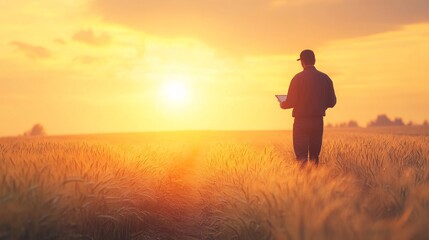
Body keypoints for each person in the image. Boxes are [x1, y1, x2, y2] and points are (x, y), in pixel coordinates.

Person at [280, 49, 336, 165]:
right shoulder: (325, 78)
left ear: (302, 62)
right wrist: (320, 105)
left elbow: (290, 102)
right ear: (314, 60)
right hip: (317, 122)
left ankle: (304, 182)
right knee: (315, 157)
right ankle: (315, 181)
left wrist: (282, 103)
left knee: (301, 158)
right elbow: (332, 102)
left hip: (301, 122)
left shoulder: (297, 79)